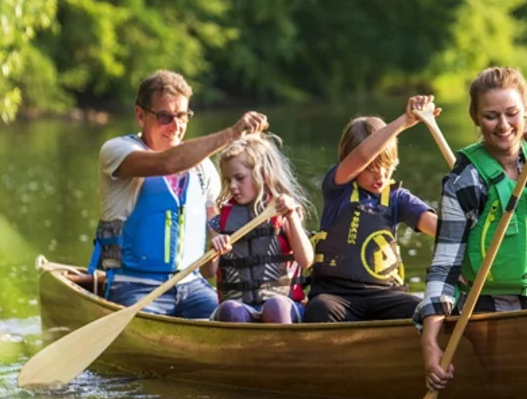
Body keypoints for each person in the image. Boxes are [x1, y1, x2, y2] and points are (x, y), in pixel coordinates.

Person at [415, 66, 527, 390]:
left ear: (526, 112)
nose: (504, 125)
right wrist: (430, 342)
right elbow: (445, 266)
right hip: (490, 309)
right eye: (492, 116)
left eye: (512, 114)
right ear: (476, 118)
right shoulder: (464, 181)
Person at [87, 69, 268, 318]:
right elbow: (168, 163)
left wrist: (220, 242)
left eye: (182, 116)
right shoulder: (117, 151)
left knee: (229, 319)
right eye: (165, 117)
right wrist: (232, 133)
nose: (176, 126)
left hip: (191, 286)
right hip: (133, 285)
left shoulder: (204, 169)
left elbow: (212, 234)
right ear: (140, 115)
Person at [303, 95, 441, 322]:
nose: (381, 175)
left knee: (421, 311)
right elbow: (363, 155)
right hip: (337, 295)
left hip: (385, 295)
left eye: (386, 167)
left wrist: (468, 233)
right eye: (372, 169)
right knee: (319, 309)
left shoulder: (397, 197)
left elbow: (437, 228)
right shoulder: (338, 187)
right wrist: (403, 122)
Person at [207, 133, 314, 323]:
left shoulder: (285, 212)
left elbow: (306, 261)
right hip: (241, 307)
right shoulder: (220, 221)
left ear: (262, 174)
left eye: (240, 178)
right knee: (230, 310)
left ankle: (282, 351)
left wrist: (291, 218)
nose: (232, 186)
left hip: (284, 305)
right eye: (228, 180)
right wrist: (213, 250)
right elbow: (207, 273)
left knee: (276, 307)